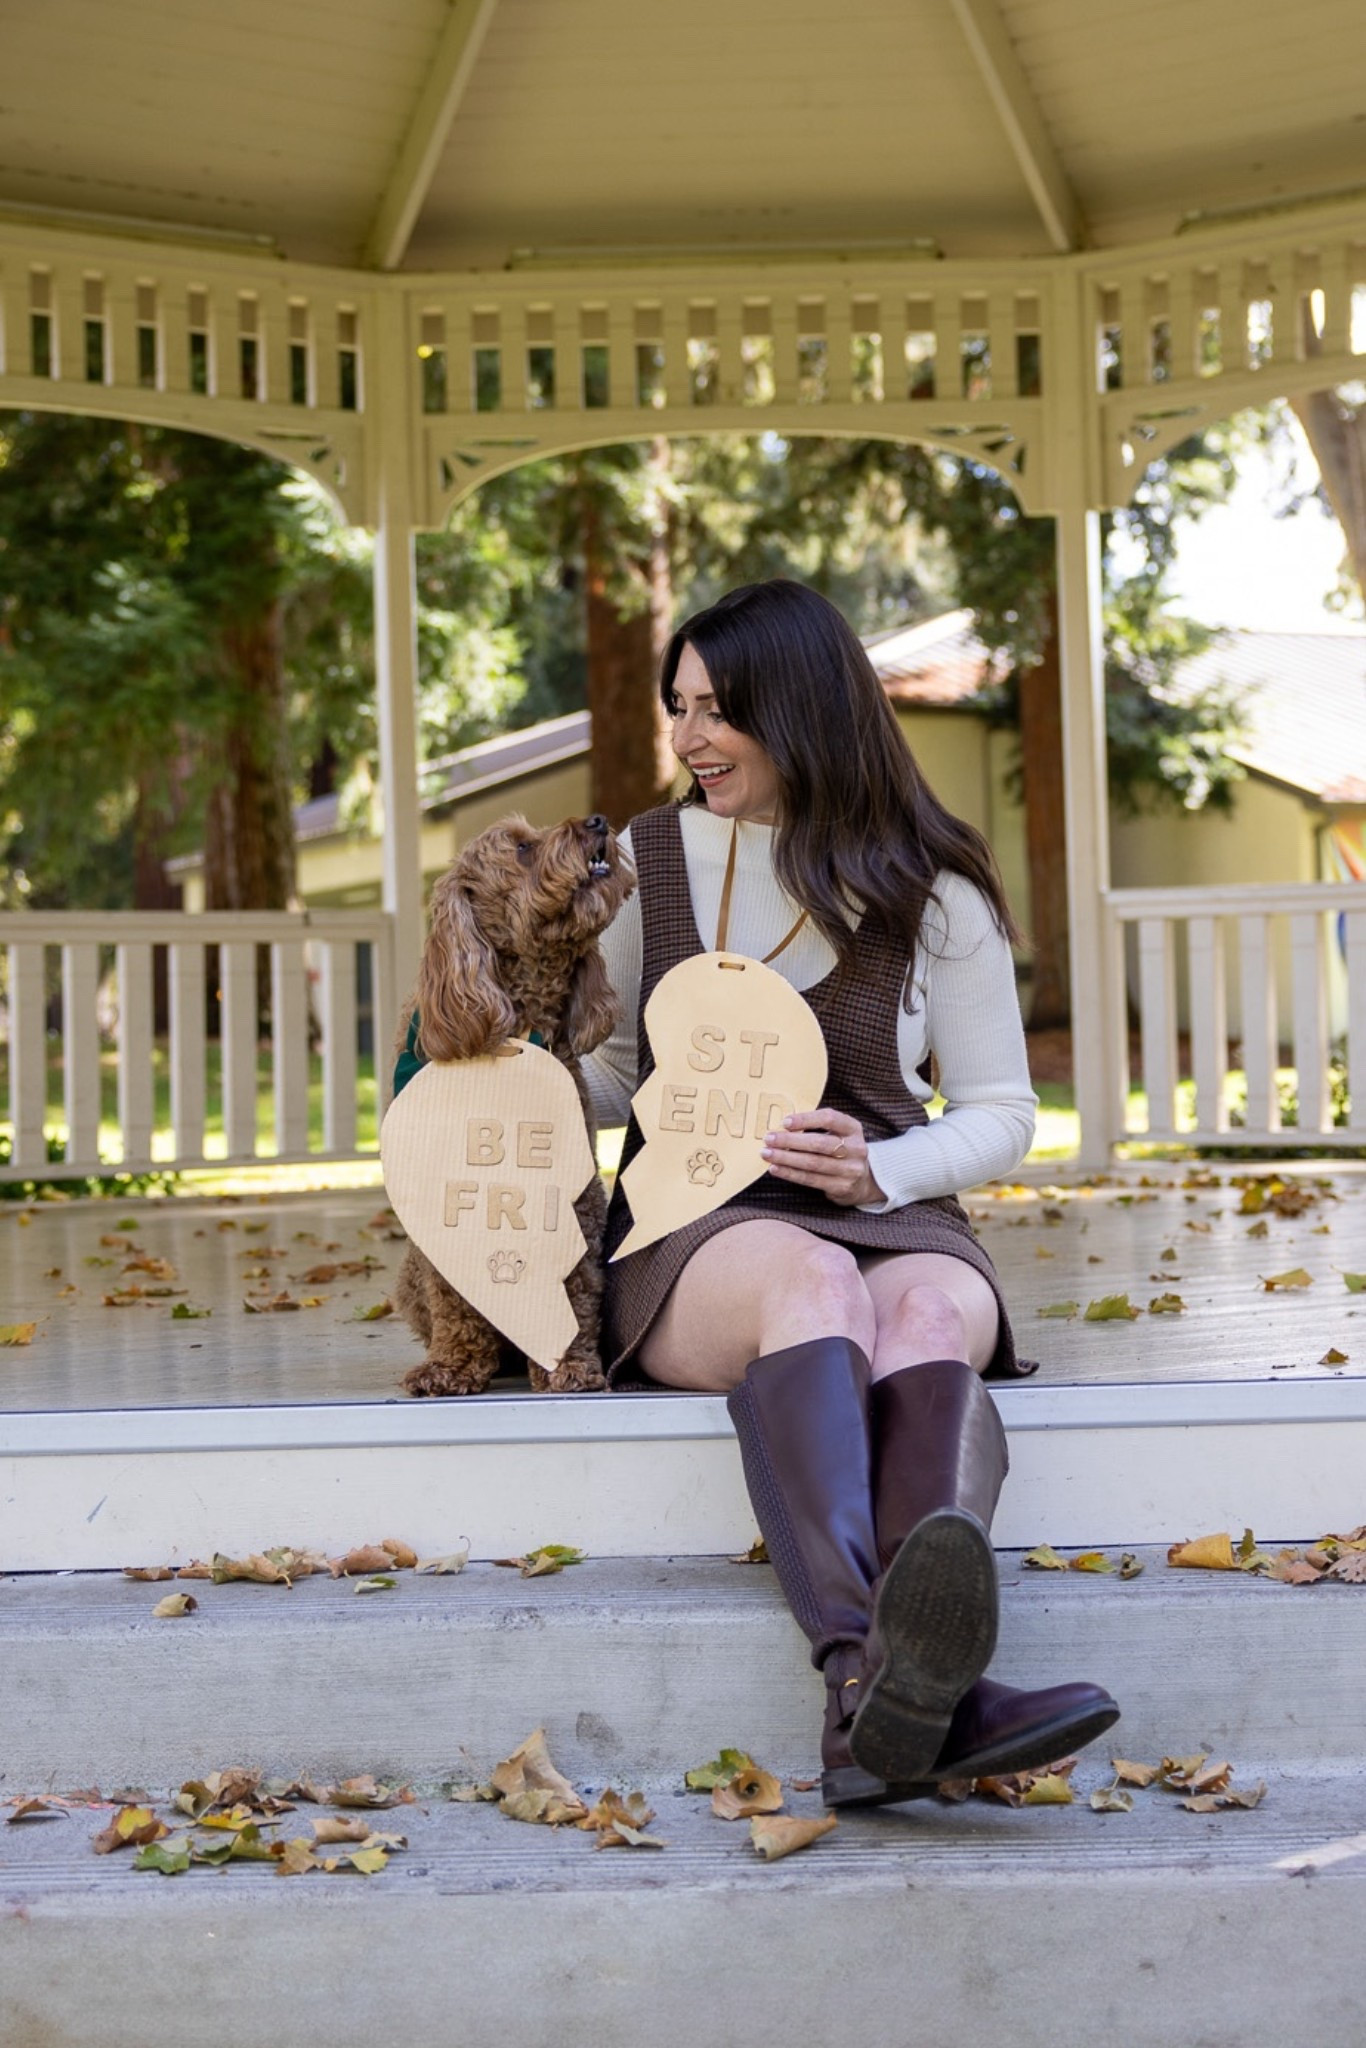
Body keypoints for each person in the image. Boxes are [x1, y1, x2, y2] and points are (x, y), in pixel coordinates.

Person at [583, 578, 1118, 1808]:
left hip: (895, 1200)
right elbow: (614, 1074)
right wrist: (491, 1089)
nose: (689, 738)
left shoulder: (931, 882)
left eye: (719, 709)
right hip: (697, 1222)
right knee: (815, 1280)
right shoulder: (643, 862)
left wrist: (885, 1165)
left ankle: (869, 1708)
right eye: (680, 707)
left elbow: (1003, 1111)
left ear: (804, 705)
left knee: (927, 1315)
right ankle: (897, 1679)